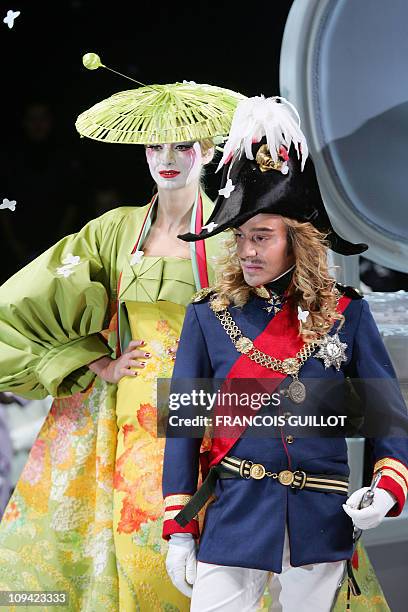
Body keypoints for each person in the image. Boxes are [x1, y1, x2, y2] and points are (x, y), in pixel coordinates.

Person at [0, 66, 244, 611]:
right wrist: (92, 361)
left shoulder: (237, 234)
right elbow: (21, 304)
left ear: (206, 149)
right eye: (155, 145)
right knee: (139, 548)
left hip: (215, 409)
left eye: (182, 145)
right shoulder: (114, 230)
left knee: (225, 555)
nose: (168, 158)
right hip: (132, 414)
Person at [162, 97, 408, 611]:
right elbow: (183, 428)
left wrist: (386, 487)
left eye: (263, 236)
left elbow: (390, 420)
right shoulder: (207, 317)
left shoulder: (347, 314)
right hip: (234, 515)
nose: (248, 250)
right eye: (242, 236)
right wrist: (179, 526)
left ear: (296, 242)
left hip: (319, 518)